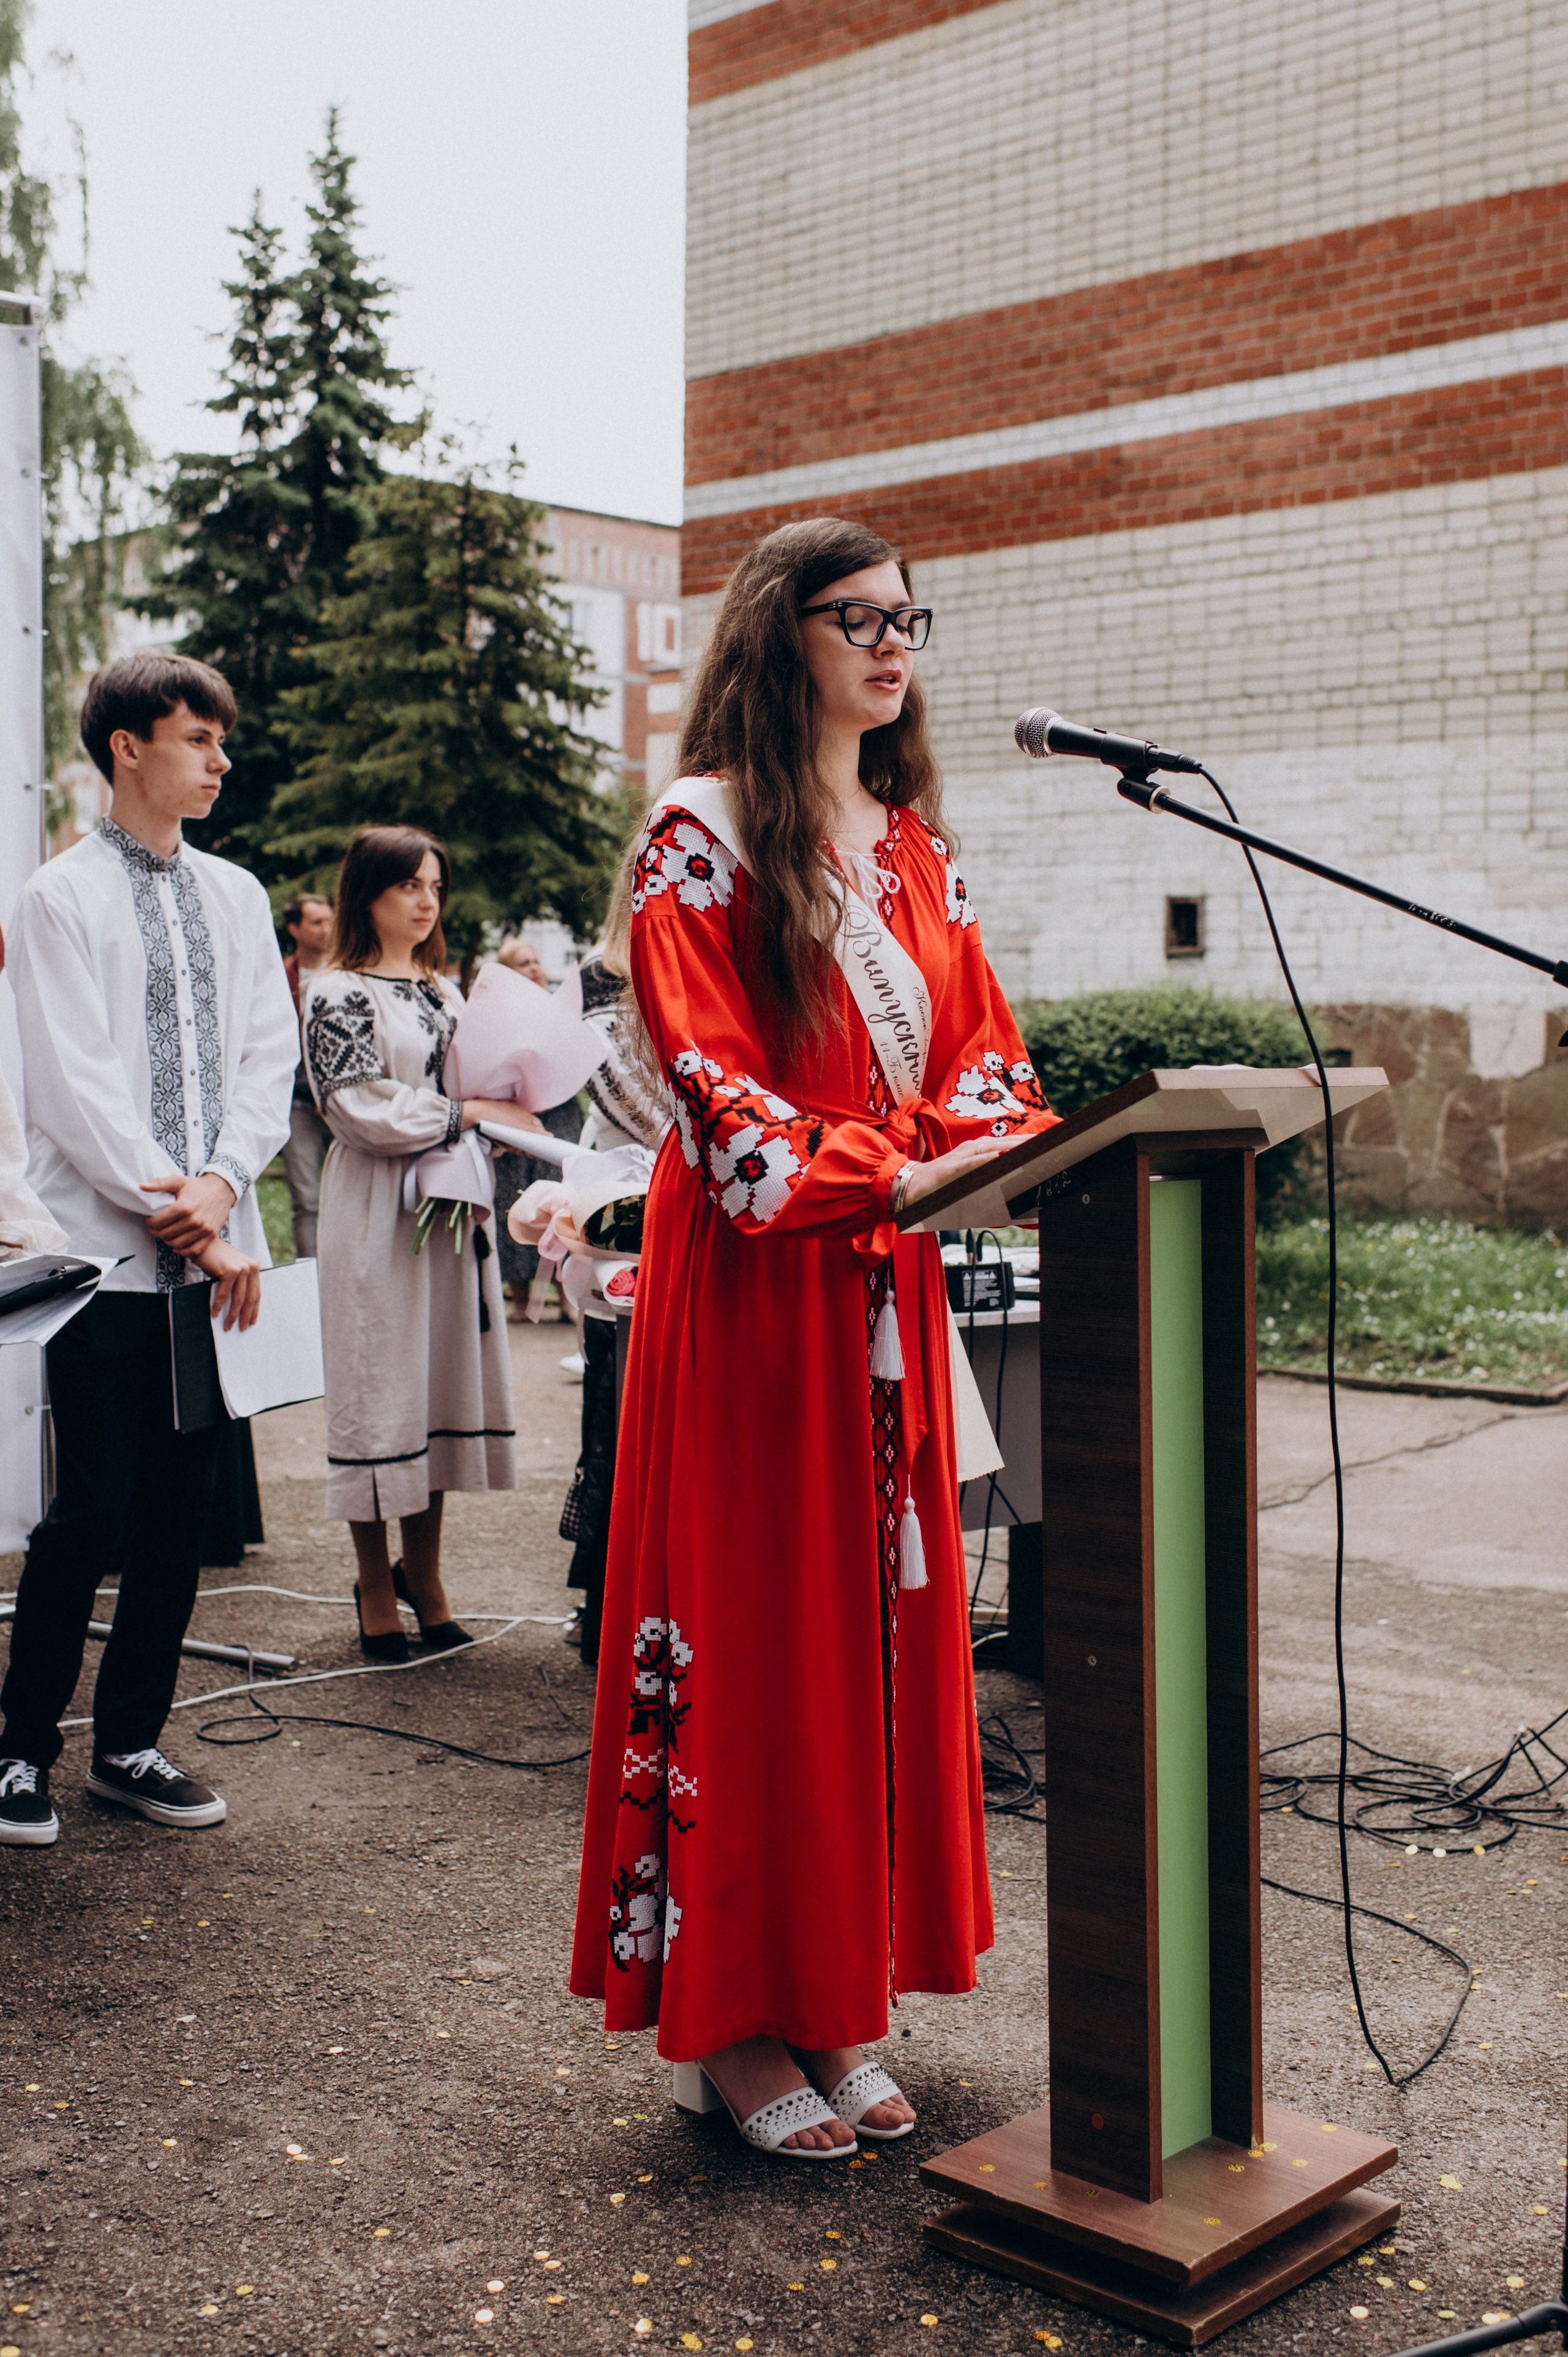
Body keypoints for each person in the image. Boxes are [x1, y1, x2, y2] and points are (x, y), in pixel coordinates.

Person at [568, 518, 1060, 2157]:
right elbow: (724, 1109)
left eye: (910, 615)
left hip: (887, 1280)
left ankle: (842, 1997)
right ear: (780, 635)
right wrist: (907, 1166)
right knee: (763, 1630)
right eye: (858, 616)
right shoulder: (693, 838)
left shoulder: (915, 847)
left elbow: (987, 1054)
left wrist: (979, 1151)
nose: (894, 641)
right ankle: (730, 2025)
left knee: (877, 1644)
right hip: (766, 1294)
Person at [0, 652, 298, 1847]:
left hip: (215, 1252)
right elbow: (70, 1085)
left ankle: (128, 1741)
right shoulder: (59, 895)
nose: (220, 761)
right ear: (128, 747)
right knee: (90, 1509)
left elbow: (264, 1059)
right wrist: (179, 1212)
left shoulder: (236, 893)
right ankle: (21, 1749)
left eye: (220, 740)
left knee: (184, 1511)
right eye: (197, 739)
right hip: (108, 1262)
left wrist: (222, 1191)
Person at [301, 826, 528, 1662]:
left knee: (434, 1388)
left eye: (436, 885)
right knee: (376, 1387)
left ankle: (425, 1577)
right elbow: (356, 1105)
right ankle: (372, 1584)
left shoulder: (449, 991)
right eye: (410, 886)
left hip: (450, 1208)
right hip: (375, 1208)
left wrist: (509, 1121)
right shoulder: (337, 993)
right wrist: (470, 1117)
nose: (428, 901)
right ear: (369, 894)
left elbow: (482, 1090)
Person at [491, 935, 583, 1324]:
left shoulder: (560, 1008)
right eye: (523, 963)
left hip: (560, 1111)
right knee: (513, 1199)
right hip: (516, 1111)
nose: (533, 969)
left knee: (561, 1201)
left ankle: (566, 1296)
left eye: (534, 962)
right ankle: (518, 1296)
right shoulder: (496, 1015)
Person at [279, 892, 334, 1259]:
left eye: (329, 921)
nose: (326, 930)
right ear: (295, 928)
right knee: (308, 1200)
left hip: (341, 1104)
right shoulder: (281, 976)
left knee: (351, 1197)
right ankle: (311, 1287)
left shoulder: (344, 972)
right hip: (297, 1104)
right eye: (316, 922)